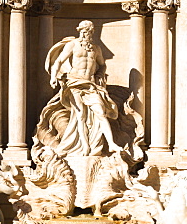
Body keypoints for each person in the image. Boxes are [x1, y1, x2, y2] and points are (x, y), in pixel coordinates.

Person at [36, 20, 123, 157]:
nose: (84, 34)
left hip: (89, 84)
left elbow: (102, 65)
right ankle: (85, 146)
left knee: (100, 111)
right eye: (82, 31)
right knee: (80, 114)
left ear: (91, 32)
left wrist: (100, 75)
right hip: (74, 82)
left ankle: (111, 144)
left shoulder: (96, 49)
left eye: (87, 31)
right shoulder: (73, 45)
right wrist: (53, 77)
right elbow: (59, 61)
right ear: (79, 31)